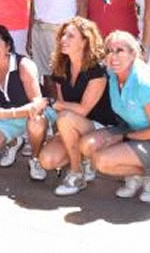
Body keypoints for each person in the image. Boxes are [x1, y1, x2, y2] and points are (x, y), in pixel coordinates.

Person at [80, 31, 150, 203]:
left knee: (102, 161)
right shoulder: (112, 75)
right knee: (87, 146)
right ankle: (134, 175)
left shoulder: (144, 82)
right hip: (130, 129)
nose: (113, 56)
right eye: (109, 51)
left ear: (133, 54)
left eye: (120, 50)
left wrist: (123, 137)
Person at [38, 17, 119, 196]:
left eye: (70, 36)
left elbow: (83, 110)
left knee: (66, 118)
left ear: (84, 41)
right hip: (72, 123)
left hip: (99, 125)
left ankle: (76, 173)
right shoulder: (61, 66)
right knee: (47, 160)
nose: (63, 40)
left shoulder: (97, 69)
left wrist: (52, 103)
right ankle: (82, 158)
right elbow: (62, 106)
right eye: (62, 35)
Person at [0, 25, 48, 181]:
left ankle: (35, 159)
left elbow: (38, 105)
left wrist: (4, 114)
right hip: (9, 116)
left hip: (33, 113)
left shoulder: (23, 65)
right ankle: (15, 141)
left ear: (8, 45)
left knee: (36, 121)